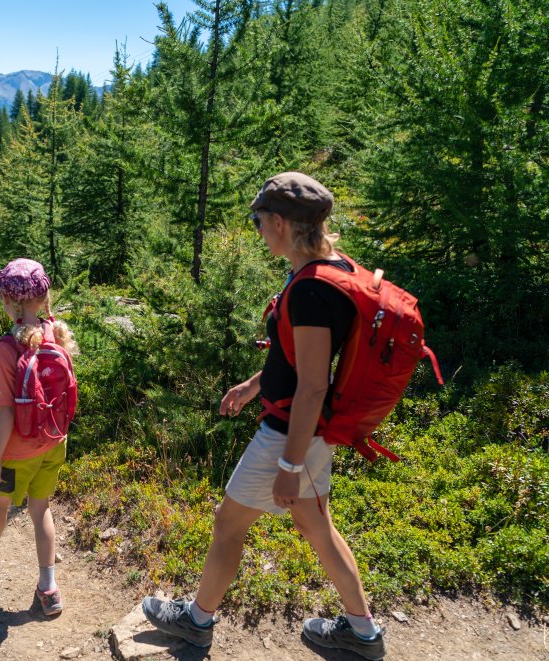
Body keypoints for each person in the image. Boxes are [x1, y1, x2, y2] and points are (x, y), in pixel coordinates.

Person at [141, 173, 386, 660]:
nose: (257, 231)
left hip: (289, 435)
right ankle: (363, 633)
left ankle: (196, 621)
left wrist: (290, 466)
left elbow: (314, 383)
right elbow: (297, 360)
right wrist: (256, 384)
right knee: (318, 528)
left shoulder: (313, 290)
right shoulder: (332, 269)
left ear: (279, 222)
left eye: (258, 222)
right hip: (313, 432)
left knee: (227, 524)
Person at [0, 258, 78, 617]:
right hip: (55, 441)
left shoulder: (7, 348)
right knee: (40, 510)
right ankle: (49, 587)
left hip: (17, 450)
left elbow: (7, 411)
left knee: (0, 503)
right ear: (43, 299)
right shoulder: (56, 333)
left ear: (8, 302)